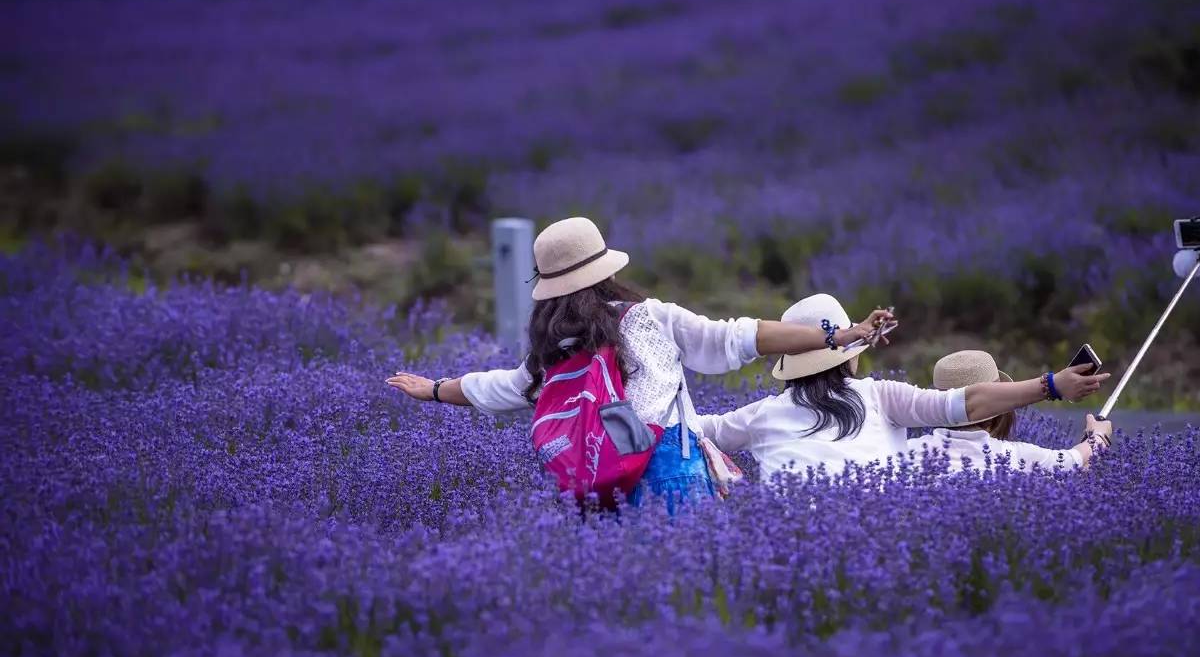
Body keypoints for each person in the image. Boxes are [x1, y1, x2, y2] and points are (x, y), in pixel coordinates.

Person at [385, 217, 892, 512]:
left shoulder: (553, 342)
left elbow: (502, 389)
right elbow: (741, 336)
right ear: (605, 269)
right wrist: (837, 334)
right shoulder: (648, 318)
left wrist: (434, 389)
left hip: (595, 471)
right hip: (667, 465)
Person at [698, 294, 1109, 482]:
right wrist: (1051, 385)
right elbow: (966, 404)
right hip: (877, 536)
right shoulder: (879, 396)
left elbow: (698, 428)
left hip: (789, 542)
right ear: (850, 353)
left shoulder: (761, 415)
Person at [906, 350, 1113, 473]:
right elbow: (1074, 459)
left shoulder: (905, 451)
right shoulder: (1016, 456)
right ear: (999, 407)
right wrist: (1098, 435)